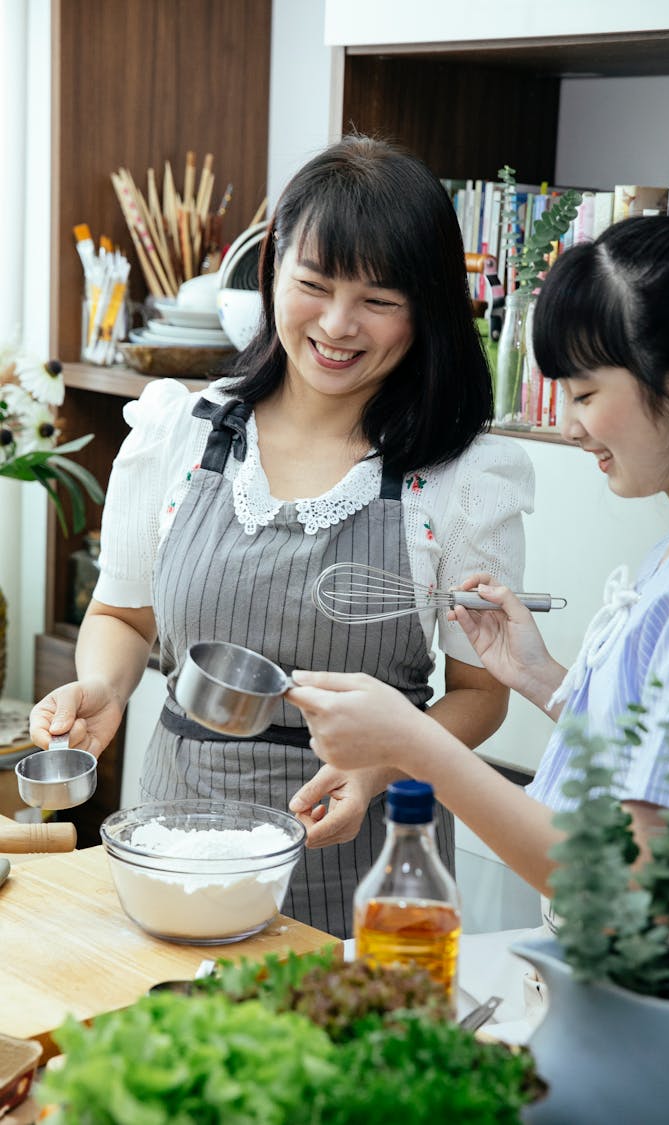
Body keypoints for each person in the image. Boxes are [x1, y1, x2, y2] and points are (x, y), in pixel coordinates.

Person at [288, 126, 669, 1007]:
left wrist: (416, 742)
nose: (571, 427)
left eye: (585, 395)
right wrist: (541, 678)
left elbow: (624, 892)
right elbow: (652, 755)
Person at [30, 135, 534, 939]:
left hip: (366, 852)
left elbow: (481, 694)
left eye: (379, 299)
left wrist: (375, 769)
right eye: (314, 284)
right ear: (271, 274)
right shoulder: (181, 431)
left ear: (428, 305)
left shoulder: (459, 478)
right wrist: (105, 688)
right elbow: (123, 617)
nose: (338, 325)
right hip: (176, 839)